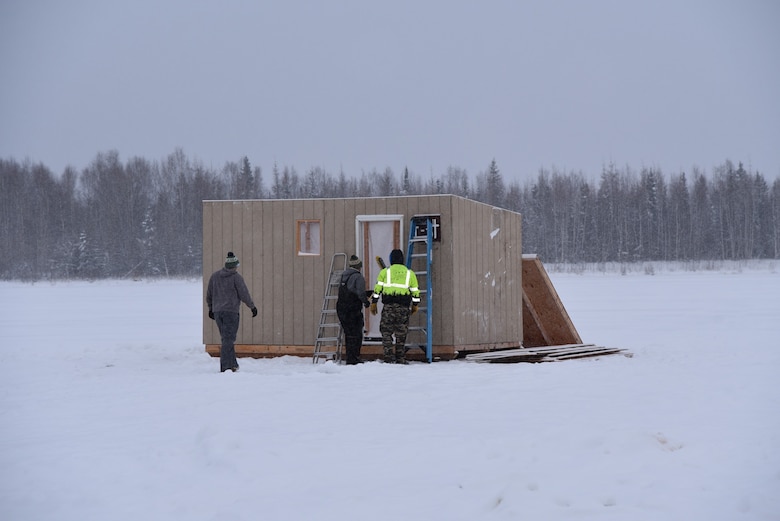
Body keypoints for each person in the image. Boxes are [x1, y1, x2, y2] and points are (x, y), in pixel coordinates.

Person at [206, 251, 257, 372]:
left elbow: (209, 294)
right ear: (233, 266)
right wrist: (252, 307)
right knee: (228, 339)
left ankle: (233, 364)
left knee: (226, 338)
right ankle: (225, 367)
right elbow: (244, 294)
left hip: (218, 312)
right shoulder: (236, 277)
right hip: (231, 312)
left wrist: (211, 309)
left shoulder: (215, 276)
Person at [370, 249, 420, 364]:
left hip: (388, 307)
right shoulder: (409, 273)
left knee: (386, 331)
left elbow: (377, 290)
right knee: (401, 333)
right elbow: (415, 292)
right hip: (403, 308)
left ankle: (388, 356)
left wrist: (374, 302)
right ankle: (400, 357)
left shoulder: (385, 272)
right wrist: (415, 305)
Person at [336, 254, 371, 365]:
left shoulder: (343, 276)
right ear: (359, 266)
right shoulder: (358, 277)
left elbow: (350, 290)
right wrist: (366, 301)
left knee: (348, 333)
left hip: (341, 308)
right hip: (352, 309)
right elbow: (359, 293)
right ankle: (354, 358)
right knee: (356, 333)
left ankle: (350, 357)